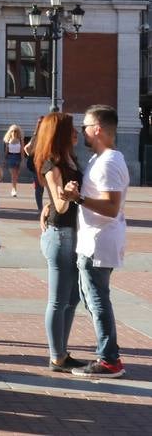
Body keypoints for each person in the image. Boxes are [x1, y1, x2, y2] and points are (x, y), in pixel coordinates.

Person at [67, 104, 128, 378]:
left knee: (98, 300)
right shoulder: (98, 160)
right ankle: (107, 354)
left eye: (86, 127)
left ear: (98, 129)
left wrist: (78, 198)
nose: (83, 132)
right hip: (93, 240)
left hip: (100, 242)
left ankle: (109, 359)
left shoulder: (110, 161)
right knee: (91, 298)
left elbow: (111, 206)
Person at [34, 112, 84, 373]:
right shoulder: (52, 166)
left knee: (73, 296)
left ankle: (62, 352)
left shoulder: (70, 159)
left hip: (72, 234)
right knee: (58, 298)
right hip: (59, 234)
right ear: (60, 134)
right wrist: (68, 196)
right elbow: (61, 205)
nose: (76, 132)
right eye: (71, 128)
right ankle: (57, 356)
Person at [3, 124, 24, 197]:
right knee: (13, 175)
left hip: (18, 157)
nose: (14, 132)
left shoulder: (20, 140)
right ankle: (13, 189)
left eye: (16, 131)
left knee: (16, 175)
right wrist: (5, 160)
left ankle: (14, 188)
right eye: (12, 131)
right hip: (10, 157)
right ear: (10, 132)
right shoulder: (7, 140)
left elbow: (22, 151)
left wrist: (22, 160)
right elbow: (6, 151)